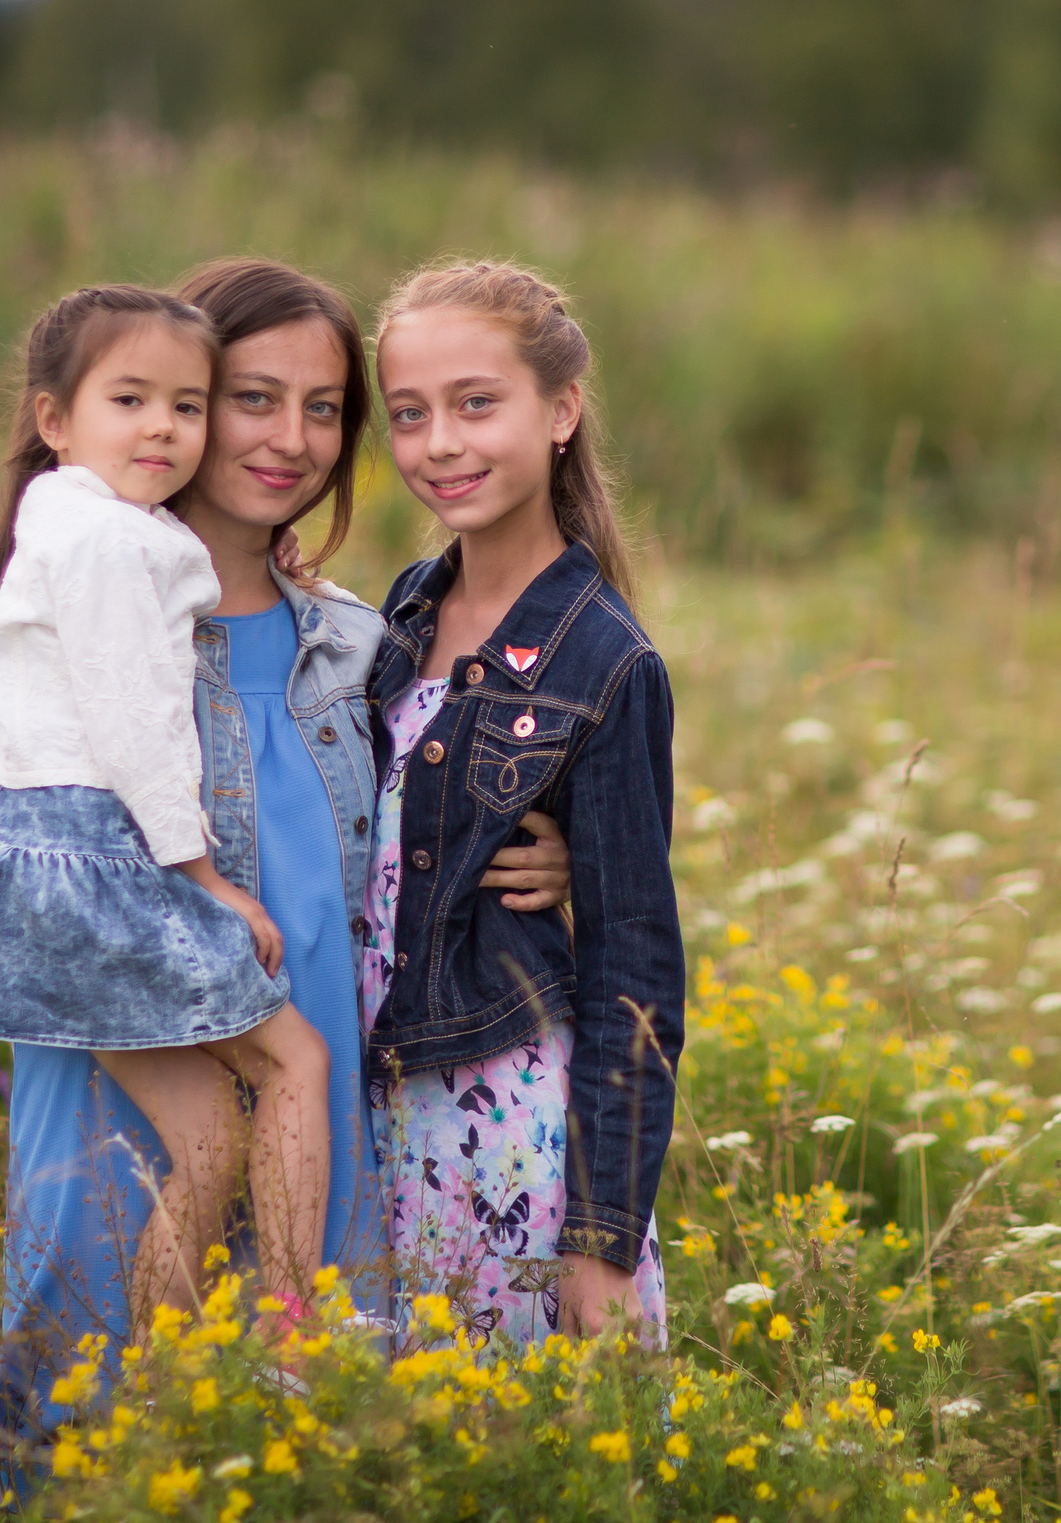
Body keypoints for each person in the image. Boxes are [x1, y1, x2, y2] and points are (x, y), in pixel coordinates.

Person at [0, 266, 574, 1495]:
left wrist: (553, 854)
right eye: (249, 397)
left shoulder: (353, 642)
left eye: (324, 409)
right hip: (130, 1063)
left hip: (306, 1082)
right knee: (81, 1422)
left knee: (276, 1440)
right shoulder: (60, 626)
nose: (289, 440)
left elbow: (431, 835)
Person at [0, 283, 332, 1369]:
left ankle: (158, 1389)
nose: (162, 430)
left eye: (186, 407)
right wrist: (205, 879)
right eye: (129, 400)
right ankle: (293, 1335)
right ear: (54, 418)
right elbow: (139, 724)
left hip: (29, 874)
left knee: (206, 1140)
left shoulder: (58, 525)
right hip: (86, 870)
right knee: (297, 1066)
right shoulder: (107, 546)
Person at [363, 260, 683, 1345]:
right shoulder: (406, 613)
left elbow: (638, 967)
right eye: (409, 415)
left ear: (560, 410)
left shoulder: (604, 659)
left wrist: (597, 1243)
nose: (439, 444)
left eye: (475, 404)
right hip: (377, 1104)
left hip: (504, 1133)